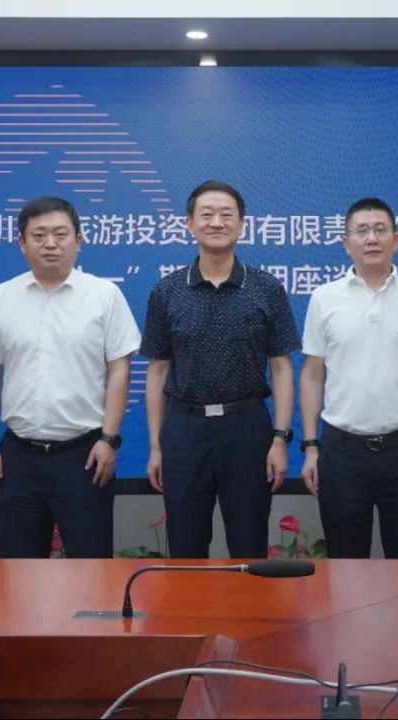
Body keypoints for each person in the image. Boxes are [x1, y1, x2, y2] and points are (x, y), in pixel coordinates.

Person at [0, 196, 140, 558]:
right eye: (39, 235)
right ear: (22, 243)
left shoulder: (104, 296)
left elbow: (120, 369)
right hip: (19, 456)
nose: (50, 243)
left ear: (78, 240)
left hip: (85, 455)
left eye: (60, 234)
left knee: (91, 567)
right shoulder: (1, 298)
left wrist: (109, 439)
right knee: (18, 568)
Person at [140, 180, 300, 558]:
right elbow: (157, 371)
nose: (216, 222)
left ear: (242, 225)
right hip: (185, 429)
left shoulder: (266, 288)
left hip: (247, 428)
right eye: (206, 214)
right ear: (189, 223)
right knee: (185, 547)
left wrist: (279, 439)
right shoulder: (166, 291)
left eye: (226, 215)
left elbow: (281, 367)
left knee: (249, 544)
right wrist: (156, 446)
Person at [299, 197, 398, 558]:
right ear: (345, 242)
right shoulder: (324, 298)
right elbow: (313, 375)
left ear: (396, 240)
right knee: (345, 565)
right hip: (341, 451)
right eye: (362, 231)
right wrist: (311, 448)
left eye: (380, 230)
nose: (371, 238)